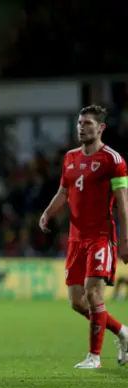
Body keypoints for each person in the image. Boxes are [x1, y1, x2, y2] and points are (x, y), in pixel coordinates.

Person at [40, 105, 128, 368]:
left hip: (101, 236)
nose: (81, 127)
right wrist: (47, 213)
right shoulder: (70, 158)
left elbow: (123, 204)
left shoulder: (113, 160)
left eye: (87, 123)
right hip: (75, 239)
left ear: (100, 128)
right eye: (79, 123)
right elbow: (64, 192)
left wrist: (124, 240)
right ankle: (123, 332)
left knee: (93, 295)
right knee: (77, 302)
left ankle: (94, 356)